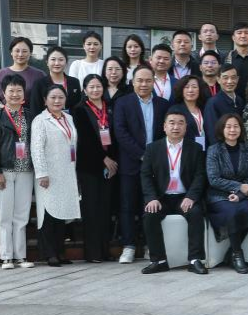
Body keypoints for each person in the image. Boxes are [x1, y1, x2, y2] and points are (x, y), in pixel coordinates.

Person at [111, 65, 171, 264]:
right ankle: (128, 246)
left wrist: (153, 157)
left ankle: (149, 245)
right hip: (130, 163)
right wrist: (142, 155)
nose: (144, 84)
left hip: (155, 165)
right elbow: (120, 132)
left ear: (154, 82)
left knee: (151, 205)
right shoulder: (123, 103)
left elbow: (164, 133)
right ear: (133, 82)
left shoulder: (163, 104)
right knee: (128, 206)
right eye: (140, 80)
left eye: (148, 80)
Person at [139, 110, 208, 274]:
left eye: (180, 123)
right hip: (161, 198)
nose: (176, 127)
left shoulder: (195, 148)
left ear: (185, 127)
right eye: (172, 123)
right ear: (164, 126)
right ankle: (159, 261)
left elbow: (200, 175)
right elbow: (145, 175)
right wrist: (151, 198)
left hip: (184, 197)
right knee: (149, 215)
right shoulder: (153, 148)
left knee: (196, 213)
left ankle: (195, 260)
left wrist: (191, 197)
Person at [0, 74, 36, 269]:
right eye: (11, 91)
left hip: (26, 171)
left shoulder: (30, 116)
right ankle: (7, 257)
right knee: (5, 216)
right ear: (3, 93)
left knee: (22, 216)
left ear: (24, 93)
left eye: (18, 90)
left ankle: (21, 256)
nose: (15, 94)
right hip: (4, 172)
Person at [30, 86, 82, 266]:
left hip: (66, 171)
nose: (57, 101)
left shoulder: (69, 118)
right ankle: (49, 253)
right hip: (48, 174)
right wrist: (42, 173)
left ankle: (60, 252)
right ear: (45, 100)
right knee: (48, 214)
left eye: (61, 97)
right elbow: (36, 148)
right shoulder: (40, 120)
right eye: (53, 97)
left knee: (61, 214)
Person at [71, 75, 116, 263]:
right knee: (91, 209)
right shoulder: (79, 110)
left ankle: (105, 251)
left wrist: (112, 160)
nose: (95, 90)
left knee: (106, 209)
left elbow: (115, 135)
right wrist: (104, 158)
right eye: (91, 87)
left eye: (98, 86)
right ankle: (93, 253)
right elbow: (85, 139)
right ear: (85, 89)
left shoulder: (110, 108)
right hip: (89, 165)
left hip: (110, 166)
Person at [205, 114, 248, 273]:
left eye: (236, 126)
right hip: (218, 195)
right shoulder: (214, 150)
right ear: (222, 129)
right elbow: (213, 179)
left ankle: (231, 253)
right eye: (228, 126)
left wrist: (240, 195)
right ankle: (238, 254)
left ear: (241, 129)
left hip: (242, 196)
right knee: (232, 212)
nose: (232, 130)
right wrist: (238, 186)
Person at [28, 46, 84, 116]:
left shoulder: (74, 82)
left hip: (71, 121)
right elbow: (35, 109)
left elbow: (78, 107)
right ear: (47, 62)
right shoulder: (39, 84)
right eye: (53, 59)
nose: (57, 63)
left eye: (61, 60)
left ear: (66, 62)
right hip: (46, 121)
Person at [202, 65, 243, 139]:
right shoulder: (213, 103)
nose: (229, 81)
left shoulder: (240, 100)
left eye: (233, 77)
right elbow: (211, 132)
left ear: (237, 79)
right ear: (218, 80)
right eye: (225, 78)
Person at [170, 76, 210, 148]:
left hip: (206, 149)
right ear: (181, 90)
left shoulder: (205, 108)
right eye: (186, 87)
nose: (190, 90)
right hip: (185, 150)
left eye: (194, 87)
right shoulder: (175, 110)